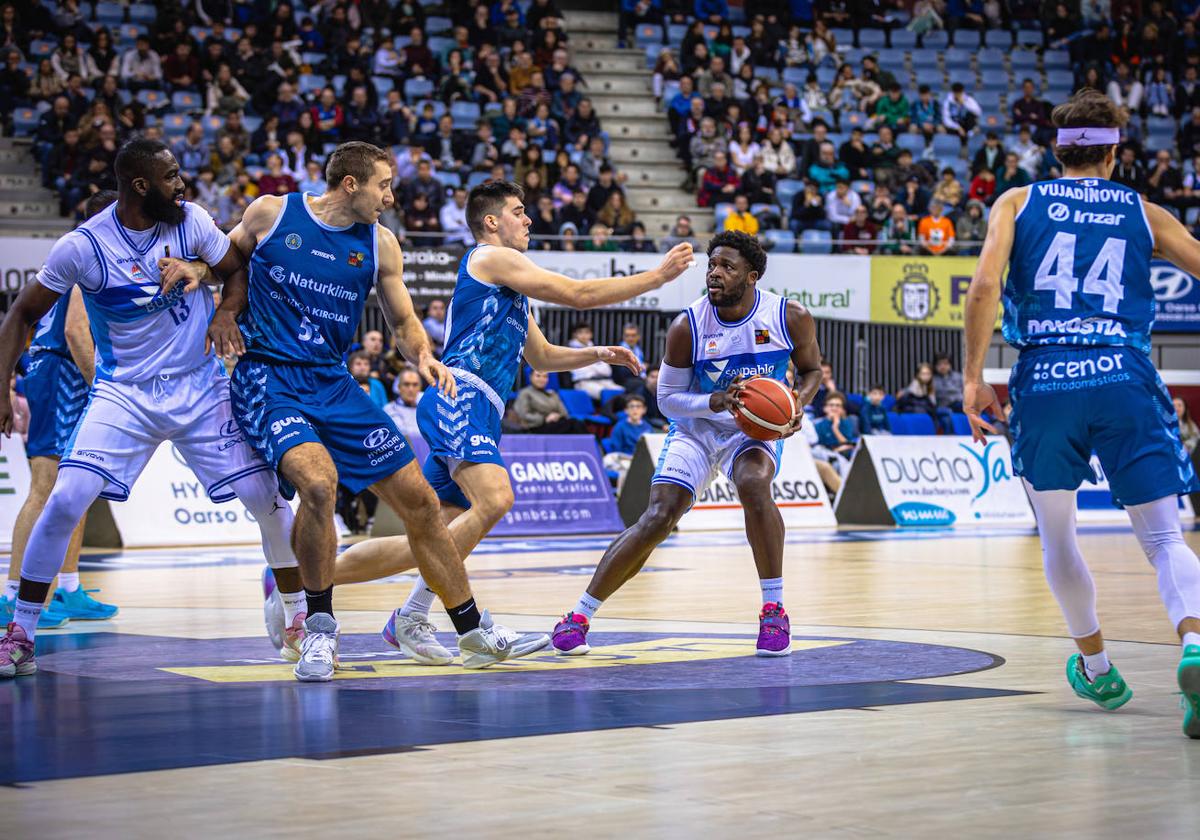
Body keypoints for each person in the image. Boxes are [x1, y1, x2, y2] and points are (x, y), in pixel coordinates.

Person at [323, 180, 692, 667]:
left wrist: (596, 354)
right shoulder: (487, 257)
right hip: (462, 394)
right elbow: (577, 294)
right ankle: (422, 618)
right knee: (496, 498)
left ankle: (309, 575)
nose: (529, 220)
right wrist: (656, 277)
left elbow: (540, 354)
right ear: (492, 221)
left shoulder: (511, 288)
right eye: (519, 212)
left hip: (483, 407)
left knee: (434, 534)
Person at [225, 143, 548, 679]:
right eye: (383, 185)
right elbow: (227, 264)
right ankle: (318, 631)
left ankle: (471, 631)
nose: (390, 197)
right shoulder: (272, 213)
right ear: (350, 185)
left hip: (332, 379)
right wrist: (223, 308)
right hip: (270, 375)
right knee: (320, 485)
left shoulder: (381, 244)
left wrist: (422, 354)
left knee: (421, 503)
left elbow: (401, 320)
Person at [0, 141, 301, 680]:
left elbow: (237, 268)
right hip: (126, 391)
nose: (182, 183)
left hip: (199, 385)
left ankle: (298, 617)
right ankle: (20, 632)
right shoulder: (83, 246)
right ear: (140, 186)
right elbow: (21, 315)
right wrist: (1, 388)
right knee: (66, 497)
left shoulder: (191, 222)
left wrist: (224, 313)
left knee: (265, 495)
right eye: (171, 175)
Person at [962, 89, 1200, 734]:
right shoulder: (1145, 212)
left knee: (1059, 535)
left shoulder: (1017, 201)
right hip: (1123, 372)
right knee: (1164, 537)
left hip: (1045, 377)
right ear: (1115, 153)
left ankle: (1097, 669)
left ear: (1056, 150)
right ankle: (1194, 645)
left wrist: (974, 376)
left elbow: (984, 285)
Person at [551, 231, 823, 658]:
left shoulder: (789, 316)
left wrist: (795, 407)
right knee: (659, 517)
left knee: (754, 484)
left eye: (727, 267)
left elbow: (811, 373)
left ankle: (774, 609)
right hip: (696, 426)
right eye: (712, 264)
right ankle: (579, 616)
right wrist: (713, 400)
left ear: (752, 276)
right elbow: (666, 398)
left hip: (749, 430)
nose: (714, 273)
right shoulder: (688, 325)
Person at [1, 192, 118, 630]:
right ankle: (12, 595)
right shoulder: (91, 247)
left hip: (63, 373)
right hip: (59, 372)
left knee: (79, 482)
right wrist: (103, 386)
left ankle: (67, 587)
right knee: (46, 485)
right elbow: (74, 329)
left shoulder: (88, 249)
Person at [514, 370, 587, 433]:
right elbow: (523, 415)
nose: (542, 379)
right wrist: (545, 418)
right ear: (531, 377)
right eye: (538, 376)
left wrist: (556, 416)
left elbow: (564, 412)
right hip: (537, 426)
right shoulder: (525, 393)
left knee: (577, 424)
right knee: (574, 425)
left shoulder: (552, 393)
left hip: (556, 424)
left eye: (545, 376)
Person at [568, 321, 620, 400]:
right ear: (574, 334)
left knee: (621, 391)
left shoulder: (598, 348)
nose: (584, 335)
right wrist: (596, 366)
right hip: (583, 382)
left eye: (587, 332)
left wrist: (590, 366)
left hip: (604, 381)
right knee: (605, 393)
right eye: (580, 332)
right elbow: (580, 373)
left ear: (591, 334)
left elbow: (607, 371)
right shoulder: (570, 349)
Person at [384, 367, 424, 443]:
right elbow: (402, 433)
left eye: (415, 385)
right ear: (399, 387)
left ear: (420, 388)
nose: (411, 389)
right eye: (406, 384)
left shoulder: (426, 409)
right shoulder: (389, 409)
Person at [814, 391, 858, 457]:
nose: (834, 408)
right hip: (826, 457)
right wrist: (835, 451)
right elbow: (817, 447)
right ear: (825, 408)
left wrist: (835, 429)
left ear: (842, 409)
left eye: (838, 405)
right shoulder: (818, 425)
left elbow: (849, 446)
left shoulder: (847, 423)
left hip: (844, 456)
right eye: (831, 405)